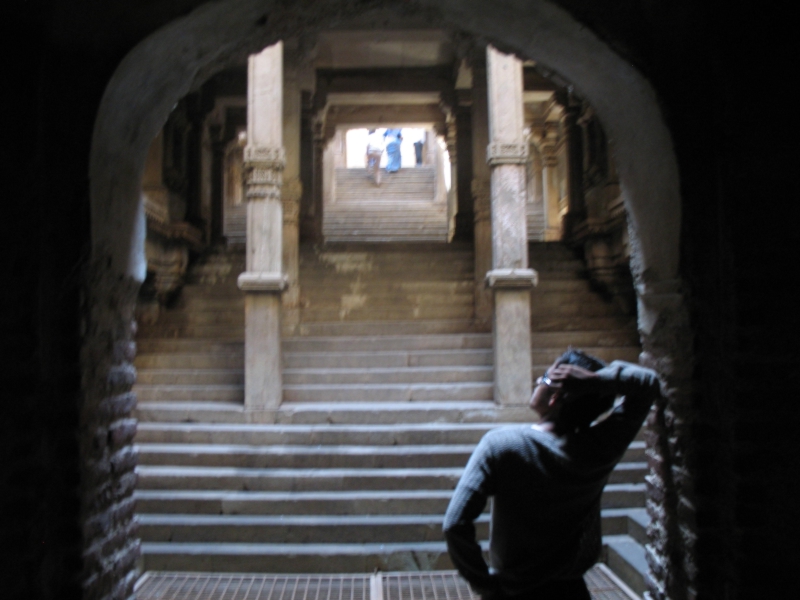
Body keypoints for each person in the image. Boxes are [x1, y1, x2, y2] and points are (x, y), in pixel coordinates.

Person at [443, 348, 661, 600]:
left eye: (545, 378)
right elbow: (648, 383)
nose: (537, 381)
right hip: (571, 592)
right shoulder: (598, 449)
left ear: (556, 397)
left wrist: (486, 586)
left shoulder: (502, 445)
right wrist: (597, 382)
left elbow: (454, 524)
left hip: (514, 591)